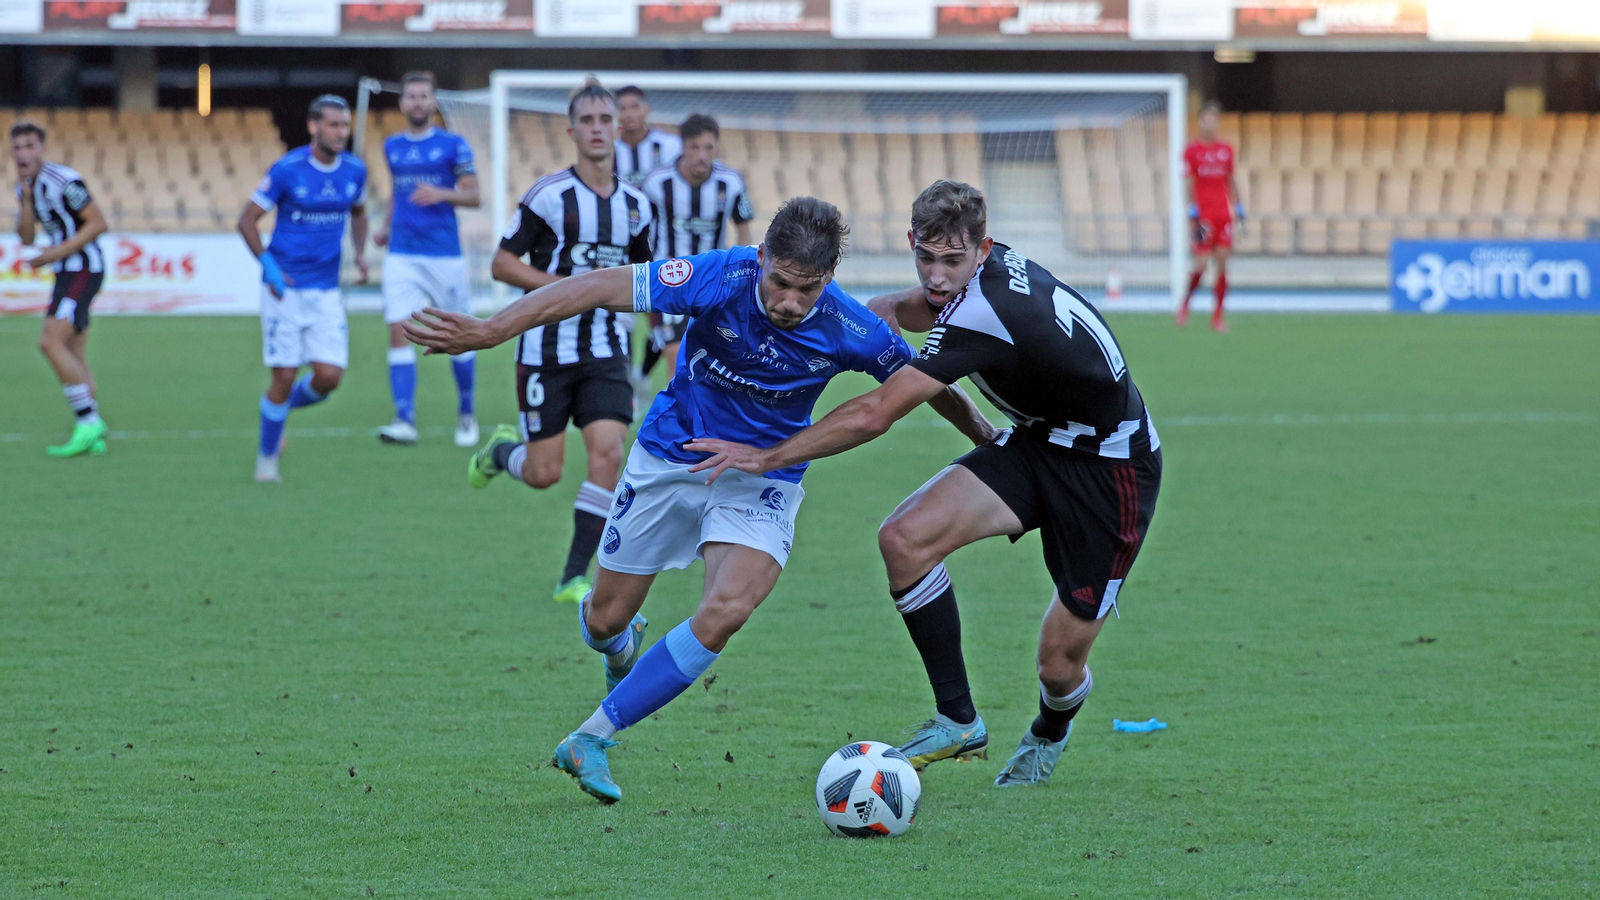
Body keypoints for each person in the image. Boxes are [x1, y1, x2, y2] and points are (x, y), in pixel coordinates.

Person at [403, 197, 993, 804]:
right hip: (670, 456)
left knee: (727, 608)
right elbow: (597, 287)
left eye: (808, 289)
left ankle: (591, 737)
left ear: (830, 277)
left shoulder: (851, 327)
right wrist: (491, 330)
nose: (791, 302)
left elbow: (924, 383)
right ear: (761, 257)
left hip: (762, 475)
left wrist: (983, 433)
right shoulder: (719, 275)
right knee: (604, 621)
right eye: (781, 282)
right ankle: (620, 642)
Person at [686, 181, 1161, 788]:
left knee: (1057, 667)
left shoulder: (986, 312)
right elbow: (910, 307)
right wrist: (859, 317)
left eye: (952, 261)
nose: (936, 276)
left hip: (1110, 471)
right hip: (1039, 442)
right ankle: (958, 721)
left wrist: (767, 456)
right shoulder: (976, 280)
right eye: (926, 257)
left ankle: (1049, 730)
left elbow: (875, 414)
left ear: (982, 249)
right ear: (912, 241)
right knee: (904, 539)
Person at [476, 78, 653, 605]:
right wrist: (564, 290)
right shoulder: (548, 196)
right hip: (545, 349)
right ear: (571, 131)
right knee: (543, 473)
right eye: (588, 121)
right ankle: (500, 452)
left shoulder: (638, 207)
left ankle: (574, 577)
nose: (597, 129)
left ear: (618, 129)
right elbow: (502, 263)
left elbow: (644, 278)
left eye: (606, 120)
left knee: (608, 453)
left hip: (605, 348)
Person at [238, 95, 368, 483]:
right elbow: (247, 221)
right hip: (285, 290)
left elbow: (359, 212)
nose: (341, 133)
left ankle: (276, 412)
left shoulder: (355, 170)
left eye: (345, 125)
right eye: (333, 125)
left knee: (329, 378)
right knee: (284, 375)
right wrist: (269, 266)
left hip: (326, 291)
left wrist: (360, 254)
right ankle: (267, 461)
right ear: (314, 127)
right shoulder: (287, 169)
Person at [372, 70, 481, 448]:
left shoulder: (454, 145)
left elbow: (474, 196)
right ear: (402, 102)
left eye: (423, 96)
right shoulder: (392, 146)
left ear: (434, 102)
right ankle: (404, 420)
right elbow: (397, 193)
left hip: (444, 256)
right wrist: (386, 227)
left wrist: (441, 194)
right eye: (411, 96)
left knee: (457, 334)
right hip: (401, 253)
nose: (417, 102)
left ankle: (466, 413)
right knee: (398, 329)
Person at [12, 120, 110, 458]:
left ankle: (88, 422)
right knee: (74, 351)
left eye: (29, 146)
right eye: (17, 147)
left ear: (43, 149)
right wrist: (26, 200)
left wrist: (55, 253)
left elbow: (98, 223)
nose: (23, 153)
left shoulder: (64, 181)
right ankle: (93, 434)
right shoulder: (26, 187)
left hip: (83, 267)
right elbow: (26, 237)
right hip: (66, 271)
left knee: (50, 342)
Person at [637, 112, 755, 387]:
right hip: (669, 279)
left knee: (711, 357)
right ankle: (677, 410)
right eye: (694, 147)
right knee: (675, 352)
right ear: (683, 146)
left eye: (708, 147)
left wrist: (742, 272)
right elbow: (639, 229)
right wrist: (645, 268)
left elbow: (743, 226)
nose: (702, 155)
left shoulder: (731, 182)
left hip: (713, 282)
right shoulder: (656, 182)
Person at [1178, 101, 1243, 332]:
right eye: (1206, 120)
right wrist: (1192, 210)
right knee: (1202, 263)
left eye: (1213, 121)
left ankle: (1217, 317)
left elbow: (1231, 180)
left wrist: (1239, 206)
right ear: (1200, 122)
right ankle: (1185, 304)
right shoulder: (1191, 151)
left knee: (1222, 262)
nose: (1210, 124)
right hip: (1203, 217)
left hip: (1223, 215)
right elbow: (1188, 182)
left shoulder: (1226, 150)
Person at [613, 86, 681, 189]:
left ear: (647, 109)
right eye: (622, 108)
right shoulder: (609, 151)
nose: (629, 114)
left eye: (635, 107)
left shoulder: (671, 145)